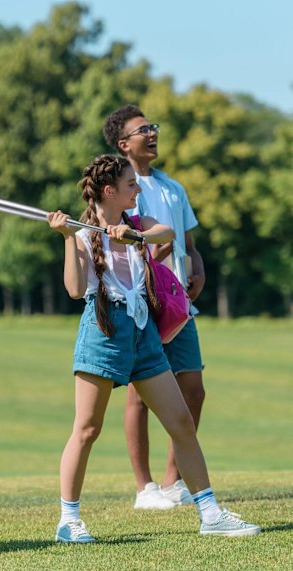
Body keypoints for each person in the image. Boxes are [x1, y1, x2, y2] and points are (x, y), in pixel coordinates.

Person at [47, 154, 259, 542]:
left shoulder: (135, 223)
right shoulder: (80, 236)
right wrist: (66, 238)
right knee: (87, 429)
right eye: (130, 184)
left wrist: (135, 236)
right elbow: (76, 290)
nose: (137, 189)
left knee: (180, 422)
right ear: (109, 191)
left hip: (143, 333)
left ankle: (209, 513)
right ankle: (69, 520)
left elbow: (167, 233)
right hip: (103, 331)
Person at [103, 104, 206, 510]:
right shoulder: (119, 190)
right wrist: (149, 251)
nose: (152, 133)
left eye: (153, 127)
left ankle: (171, 481)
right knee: (140, 394)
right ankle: (144, 487)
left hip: (179, 306)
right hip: (141, 302)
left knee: (193, 390)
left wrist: (197, 272)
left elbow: (189, 245)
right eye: (142, 129)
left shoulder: (173, 188)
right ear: (123, 143)